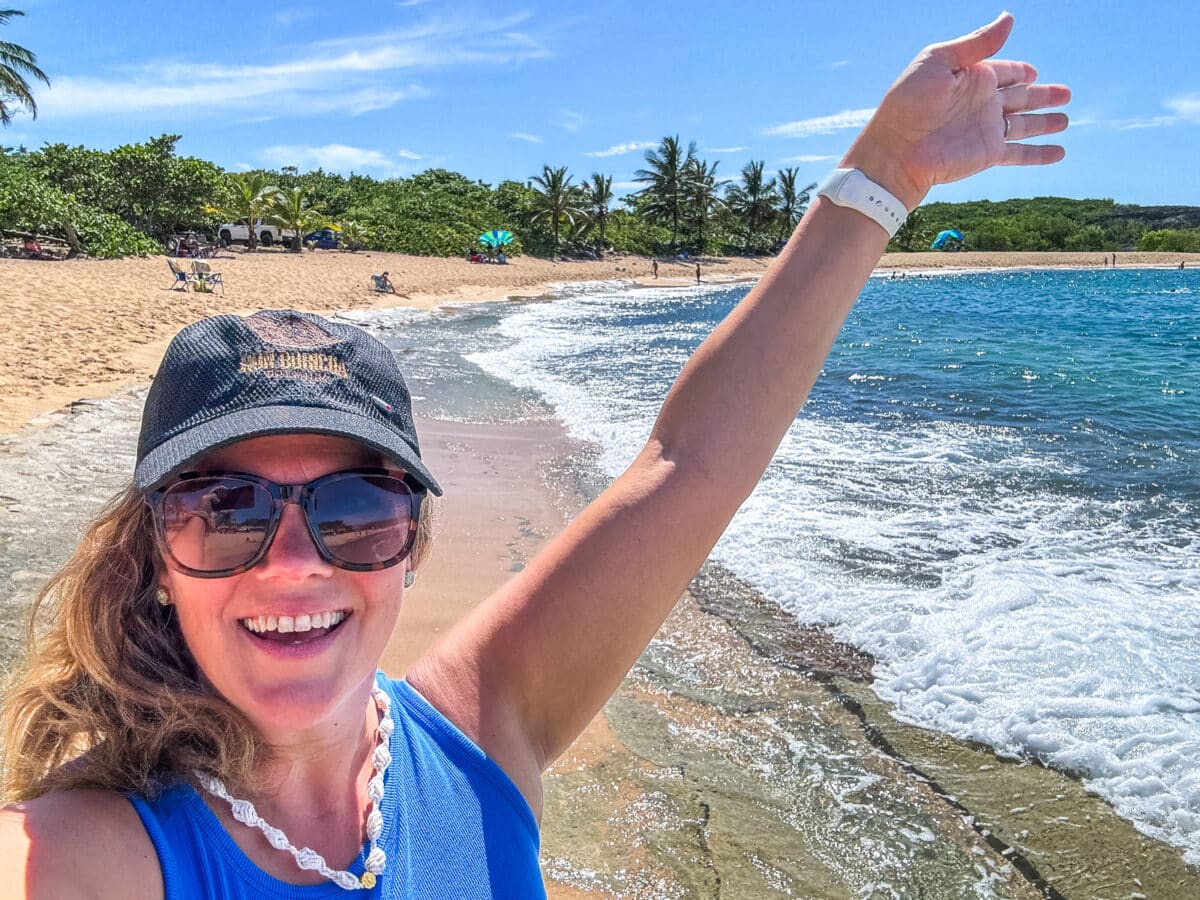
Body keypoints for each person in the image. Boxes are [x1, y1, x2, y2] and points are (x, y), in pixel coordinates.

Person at [0, 14, 1068, 896]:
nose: (293, 560)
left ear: (410, 543)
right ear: (154, 555)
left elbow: (688, 465)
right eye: (225, 508)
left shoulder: (485, 729)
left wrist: (883, 176)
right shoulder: (90, 853)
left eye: (355, 507)